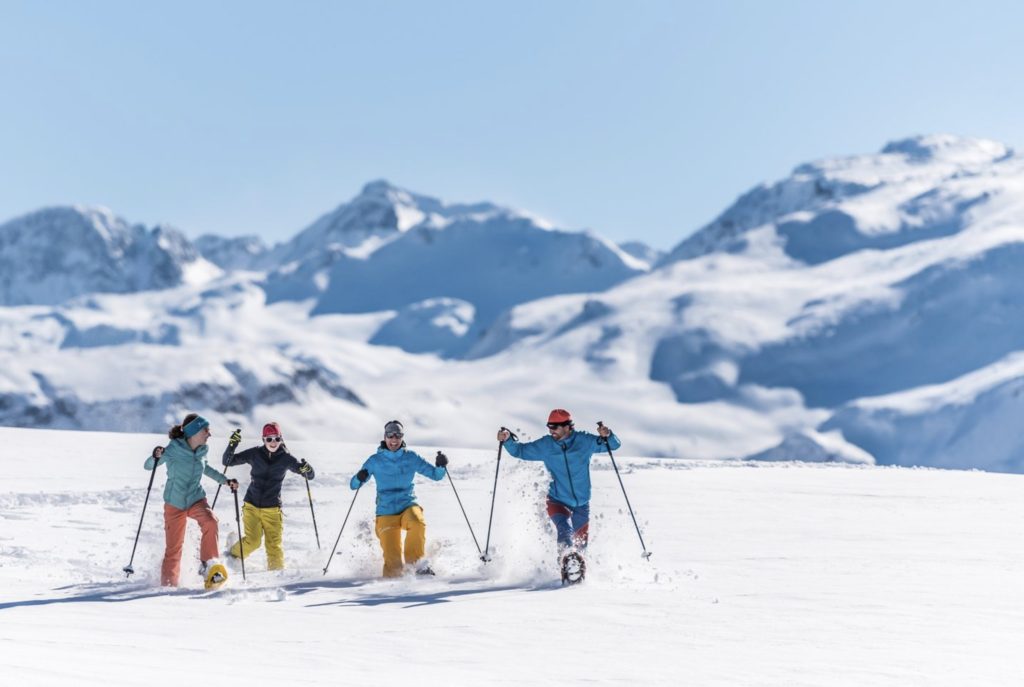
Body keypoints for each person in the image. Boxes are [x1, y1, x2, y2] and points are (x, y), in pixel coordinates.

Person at [497, 409, 620, 556]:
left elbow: (613, 445)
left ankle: (578, 572)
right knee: (565, 532)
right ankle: (565, 563)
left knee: (581, 543)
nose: (551, 430)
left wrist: (608, 436)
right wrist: (508, 439)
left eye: (555, 427)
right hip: (557, 500)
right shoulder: (546, 445)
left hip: (582, 502)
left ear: (567, 426)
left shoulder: (584, 441)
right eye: (549, 426)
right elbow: (520, 451)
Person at [144, 413, 238, 587]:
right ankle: (168, 587)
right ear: (194, 432)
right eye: (206, 430)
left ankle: (209, 568)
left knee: (210, 521)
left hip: (196, 498)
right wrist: (155, 456)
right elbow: (149, 466)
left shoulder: (202, 450)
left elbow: (206, 468)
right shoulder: (173, 449)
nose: (209, 434)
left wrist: (225, 481)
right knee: (174, 549)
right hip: (175, 502)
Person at [350, 420, 448, 577]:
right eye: (390, 435)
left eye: (398, 435)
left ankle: (416, 566)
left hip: (407, 505)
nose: (394, 440)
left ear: (402, 437)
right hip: (385, 512)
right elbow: (353, 485)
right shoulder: (374, 461)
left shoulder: (411, 457)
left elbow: (436, 476)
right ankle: (392, 589)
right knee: (394, 569)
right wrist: (359, 477)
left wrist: (441, 466)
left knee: (417, 522)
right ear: (385, 437)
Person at [222, 421, 315, 571]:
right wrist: (232, 445)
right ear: (263, 439)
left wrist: (308, 469)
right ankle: (232, 555)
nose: (273, 442)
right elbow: (227, 461)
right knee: (253, 542)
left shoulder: (286, 458)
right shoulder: (255, 453)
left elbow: (309, 475)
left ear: (281, 439)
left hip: (272, 509)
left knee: (274, 546)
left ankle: (276, 577)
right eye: (269, 439)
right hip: (251, 505)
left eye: (276, 438)